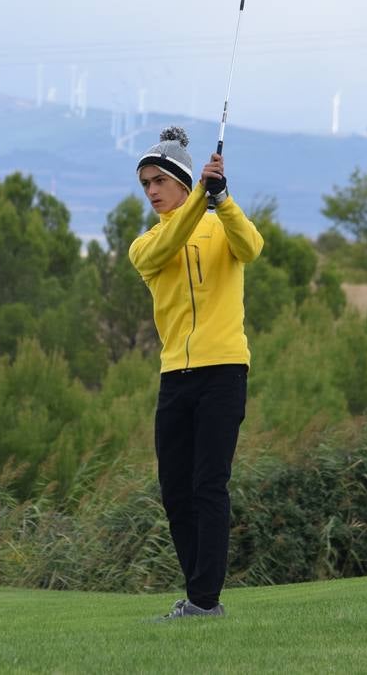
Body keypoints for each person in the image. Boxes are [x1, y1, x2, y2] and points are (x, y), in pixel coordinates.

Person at [128, 125, 264, 618]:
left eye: (158, 180)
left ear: (181, 180)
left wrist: (222, 198)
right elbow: (170, 245)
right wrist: (200, 201)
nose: (151, 192)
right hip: (174, 378)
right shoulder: (146, 245)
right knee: (176, 493)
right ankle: (197, 594)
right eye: (145, 184)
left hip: (224, 370)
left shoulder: (220, 225)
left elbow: (251, 247)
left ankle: (205, 600)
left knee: (209, 484)